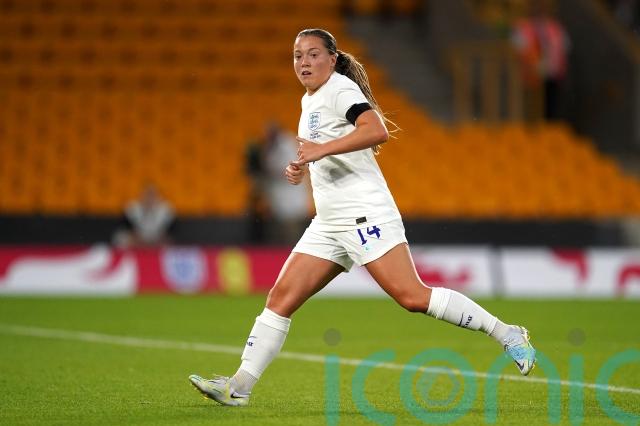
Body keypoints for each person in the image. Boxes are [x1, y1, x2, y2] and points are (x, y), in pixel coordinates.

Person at [189, 28, 536, 407]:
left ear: (332, 59)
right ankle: (238, 387)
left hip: (364, 213)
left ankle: (506, 333)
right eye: (297, 55)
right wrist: (303, 167)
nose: (304, 62)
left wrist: (322, 150)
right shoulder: (310, 99)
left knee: (411, 296)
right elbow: (328, 150)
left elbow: (376, 130)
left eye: (313, 54)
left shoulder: (339, 89)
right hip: (329, 222)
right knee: (280, 299)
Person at [261, 121, 311, 244]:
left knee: (293, 228)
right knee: (280, 229)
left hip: (292, 191)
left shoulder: (287, 143)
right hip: (279, 193)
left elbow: (292, 165)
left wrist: (274, 171)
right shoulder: (269, 146)